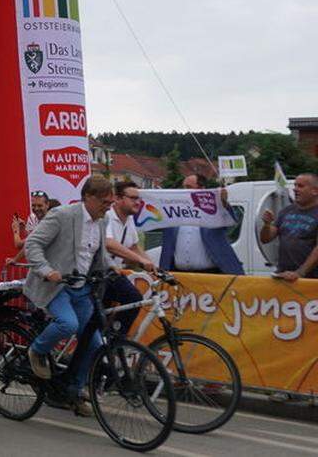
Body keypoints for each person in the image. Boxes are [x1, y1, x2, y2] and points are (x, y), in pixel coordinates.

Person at [22, 175, 114, 417]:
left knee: (94, 343)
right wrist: (47, 270)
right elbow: (32, 245)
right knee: (68, 323)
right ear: (88, 197)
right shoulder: (63, 215)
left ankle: (71, 390)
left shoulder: (102, 223)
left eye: (111, 202)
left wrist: (114, 270)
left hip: (81, 289)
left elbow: (98, 258)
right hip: (55, 286)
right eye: (105, 201)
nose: (109, 206)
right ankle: (37, 350)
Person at [159, 174, 245, 275]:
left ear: (202, 188)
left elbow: (231, 220)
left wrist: (223, 203)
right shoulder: (174, 212)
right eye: (183, 187)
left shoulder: (212, 210)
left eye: (189, 187)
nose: (184, 190)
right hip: (178, 274)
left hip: (209, 275)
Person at [102, 181, 157, 336]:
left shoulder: (128, 219)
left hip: (112, 273)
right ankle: (114, 339)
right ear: (118, 199)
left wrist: (154, 266)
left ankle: (109, 343)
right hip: (102, 271)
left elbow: (133, 247)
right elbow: (109, 244)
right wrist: (141, 261)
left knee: (102, 316)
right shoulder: (107, 216)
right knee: (132, 297)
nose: (138, 202)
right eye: (133, 198)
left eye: (139, 199)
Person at [260, 172, 318, 281]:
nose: (295, 189)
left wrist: (299, 273)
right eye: (295, 185)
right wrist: (267, 224)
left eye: (300, 186)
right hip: (284, 275)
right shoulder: (286, 211)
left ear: (315, 191)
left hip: (310, 280)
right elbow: (265, 239)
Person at [8, 190, 51, 265]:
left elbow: (21, 244)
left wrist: (16, 231)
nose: (36, 209)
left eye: (40, 205)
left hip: (52, 265)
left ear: (47, 205)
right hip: (40, 264)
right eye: (33, 205)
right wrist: (23, 229)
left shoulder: (51, 221)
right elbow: (31, 238)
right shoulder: (33, 217)